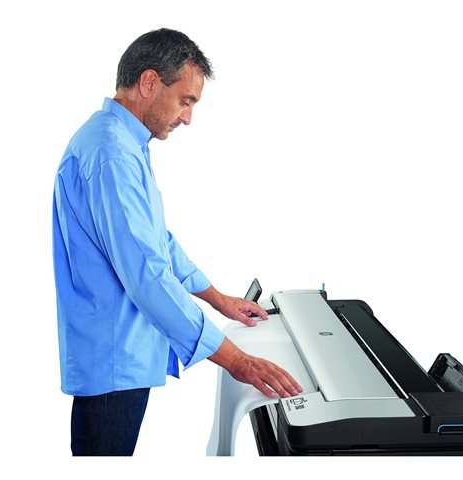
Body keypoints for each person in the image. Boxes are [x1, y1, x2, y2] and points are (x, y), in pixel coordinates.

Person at [52, 28, 302, 456]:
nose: (187, 118)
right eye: (186, 100)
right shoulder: (112, 154)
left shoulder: (121, 144)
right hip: (114, 363)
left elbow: (157, 241)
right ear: (149, 82)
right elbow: (147, 275)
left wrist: (217, 298)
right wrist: (236, 360)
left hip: (119, 356)